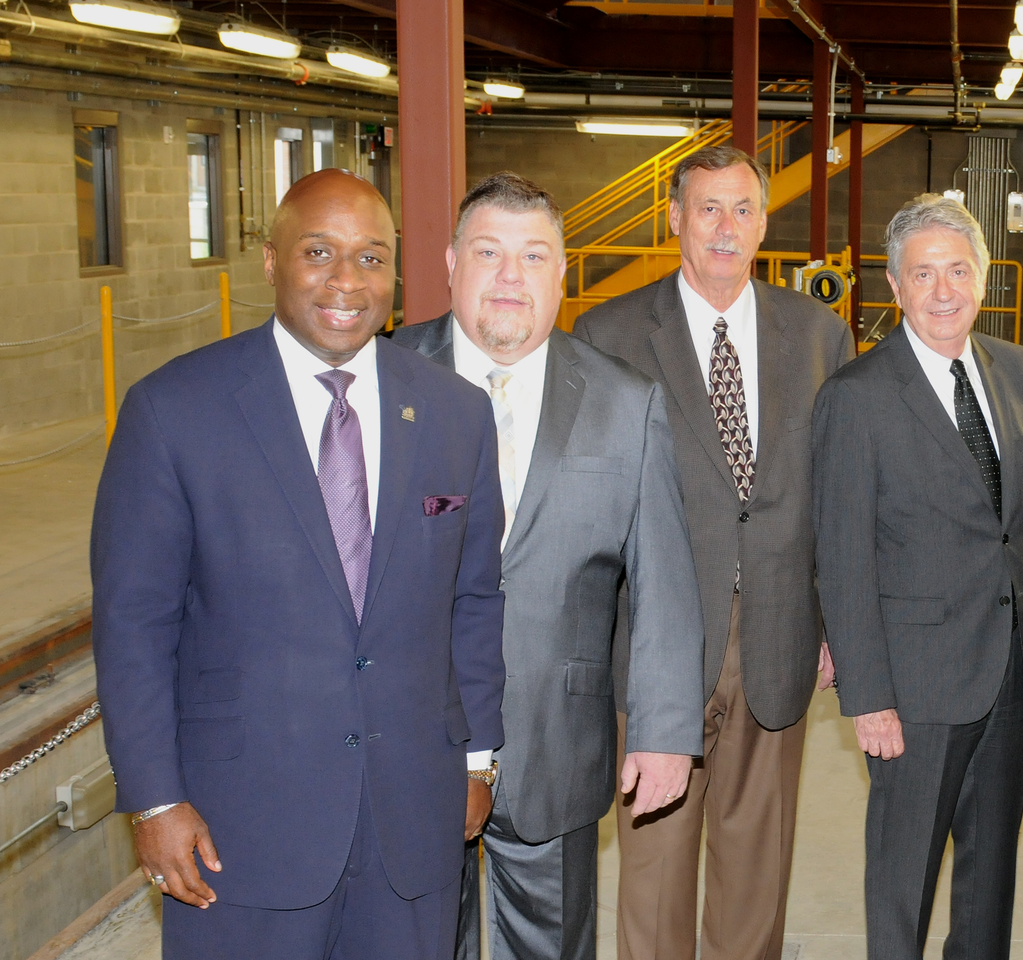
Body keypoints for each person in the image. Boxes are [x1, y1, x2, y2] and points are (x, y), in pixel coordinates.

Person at [92, 168, 506, 959]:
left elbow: (475, 599)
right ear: (270, 259)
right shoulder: (173, 411)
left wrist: (480, 758)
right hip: (237, 828)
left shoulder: (456, 413)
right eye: (319, 252)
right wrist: (153, 801)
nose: (347, 281)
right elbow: (133, 625)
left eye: (372, 257)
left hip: (412, 817)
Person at [391, 172, 706, 960]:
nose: (509, 277)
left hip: (556, 736)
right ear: (449, 264)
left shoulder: (625, 401)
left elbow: (665, 578)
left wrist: (668, 731)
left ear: (562, 275)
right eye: (488, 252)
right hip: (404, 737)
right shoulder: (381, 373)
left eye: (534, 257)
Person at [572, 145, 854, 960]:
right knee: (654, 874)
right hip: (657, 640)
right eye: (707, 209)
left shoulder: (817, 336)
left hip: (777, 636)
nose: (725, 228)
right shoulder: (611, 334)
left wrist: (834, 622)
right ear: (675, 219)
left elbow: (836, 498)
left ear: (764, 223)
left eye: (742, 210)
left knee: (755, 874)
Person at [812, 194, 1023, 960]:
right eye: (925, 274)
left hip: (1012, 673)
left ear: (984, 278)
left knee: (991, 878)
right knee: (903, 876)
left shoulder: (1017, 372)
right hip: (915, 687)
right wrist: (870, 695)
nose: (944, 290)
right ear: (896, 285)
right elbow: (841, 554)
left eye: (959, 270)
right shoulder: (857, 396)